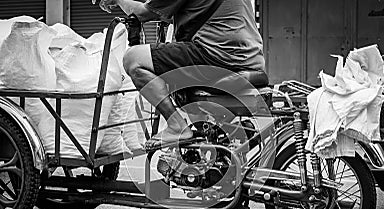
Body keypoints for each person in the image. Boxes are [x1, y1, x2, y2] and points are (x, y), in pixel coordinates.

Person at [95, 0, 265, 149]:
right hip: (249, 58)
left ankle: (177, 126)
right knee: (177, 72)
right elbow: (168, 14)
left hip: (217, 54)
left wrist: (117, 0)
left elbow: (143, 12)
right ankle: (221, 135)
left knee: (133, 59)